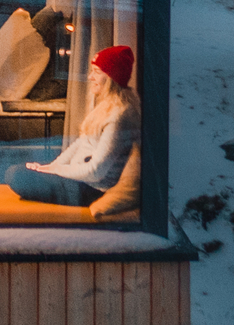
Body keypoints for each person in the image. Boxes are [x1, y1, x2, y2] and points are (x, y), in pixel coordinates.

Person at [11, 45, 140, 208]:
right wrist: (53, 166)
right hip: (81, 178)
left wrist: (57, 171)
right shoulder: (105, 106)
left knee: (17, 175)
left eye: (97, 72)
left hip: (94, 190)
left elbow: (96, 171)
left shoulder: (121, 115)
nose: (90, 77)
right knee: (23, 169)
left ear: (112, 78)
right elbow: (81, 143)